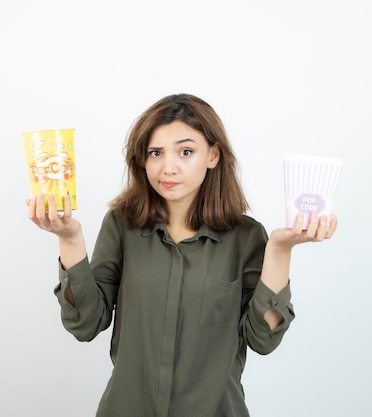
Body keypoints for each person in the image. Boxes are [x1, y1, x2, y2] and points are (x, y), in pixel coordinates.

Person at [27, 93, 337, 417]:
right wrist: (70, 239)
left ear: (213, 155)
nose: (168, 167)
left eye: (186, 151)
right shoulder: (122, 226)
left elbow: (263, 339)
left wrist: (280, 250)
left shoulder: (246, 237)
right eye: (155, 153)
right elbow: (84, 324)